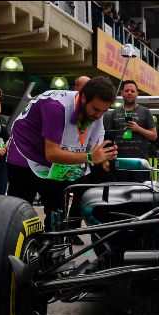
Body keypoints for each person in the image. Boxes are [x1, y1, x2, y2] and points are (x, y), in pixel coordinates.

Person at [7, 76, 118, 231]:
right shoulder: (56, 106)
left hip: (54, 163)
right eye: (96, 109)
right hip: (25, 156)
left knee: (57, 216)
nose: (99, 115)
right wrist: (90, 157)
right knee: (17, 213)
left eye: (103, 111)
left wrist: (105, 156)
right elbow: (52, 154)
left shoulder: (95, 109)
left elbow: (95, 146)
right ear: (84, 97)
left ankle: (53, 252)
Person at [104, 80, 156, 182]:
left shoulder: (145, 111)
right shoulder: (114, 113)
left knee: (140, 193)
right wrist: (106, 159)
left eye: (132, 91)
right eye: (126, 90)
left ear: (137, 94)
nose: (129, 93)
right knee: (120, 192)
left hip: (140, 162)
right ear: (121, 93)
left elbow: (154, 136)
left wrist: (138, 129)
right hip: (119, 162)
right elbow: (109, 138)